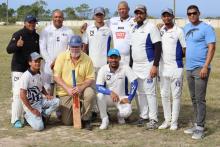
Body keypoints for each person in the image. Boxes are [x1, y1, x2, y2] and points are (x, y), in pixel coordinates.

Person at [183, 5, 216, 140]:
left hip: (200, 68)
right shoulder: (186, 28)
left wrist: (205, 66)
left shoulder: (206, 28)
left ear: (199, 13)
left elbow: (212, 47)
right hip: (189, 68)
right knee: (193, 98)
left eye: (194, 13)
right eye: (189, 14)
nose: (192, 16)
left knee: (200, 99)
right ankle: (197, 124)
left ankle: (201, 128)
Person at [53, 35, 96, 130]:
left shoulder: (87, 59)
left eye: (77, 47)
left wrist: (81, 88)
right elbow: (56, 77)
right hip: (66, 92)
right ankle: (73, 109)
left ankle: (86, 118)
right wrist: (67, 88)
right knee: (68, 122)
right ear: (69, 46)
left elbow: (90, 78)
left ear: (81, 46)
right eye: (73, 46)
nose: (75, 49)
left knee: (90, 93)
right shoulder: (61, 57)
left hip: (81, 89)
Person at [130, 4, 162, 129]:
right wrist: (131, 66)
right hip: (136, 66)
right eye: (137, 13)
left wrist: (155, 65)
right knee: (140, 92)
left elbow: (158, 47)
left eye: (141, 13)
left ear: (145, 14)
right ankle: (144, 116)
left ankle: (153, 119)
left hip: (148, 64)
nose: (139, 15)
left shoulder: (151, 27)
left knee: (150, 92)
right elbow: (133, 47)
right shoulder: (133, 28)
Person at [6, 15, 40, 128]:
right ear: (25, 23)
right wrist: (17, 45)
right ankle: (15, 119)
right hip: (18, 68)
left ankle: (27, 117)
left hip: (30, 70)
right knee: (17, 93)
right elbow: (8, 49)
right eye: (30, 22)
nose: (32, 24)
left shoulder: (36, 36)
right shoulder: (18, 34)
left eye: (34, 22)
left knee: (29, 94)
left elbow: (37, 54)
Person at [158, 8, 186, 130]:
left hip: (176, 68)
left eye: (168, 15)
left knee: (176, 96)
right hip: (163, 68)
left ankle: (174, 121)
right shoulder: (161, 30)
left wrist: (177, 59)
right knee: (164, 95)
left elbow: (184, 49)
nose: (166, 18)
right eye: (164, 16)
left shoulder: (179, 31)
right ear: (162, 17)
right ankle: (167, 120)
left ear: (172, 16)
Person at [96, 49, 138, 130]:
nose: (113, 60)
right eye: (111, 58)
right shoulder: (103, 69)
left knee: (127, 112)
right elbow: (98, 87)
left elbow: (134, 82)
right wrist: (110, 92)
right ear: (108, 59)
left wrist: (129, 98)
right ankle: (105, 119)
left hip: (121, 98)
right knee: (99, 96)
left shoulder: (125, 67)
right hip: (109, 97)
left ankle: (119, 116)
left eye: (116, 58)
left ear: (119, 58)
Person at [19, 52, 60, 131]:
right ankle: (26, 116)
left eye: (39, 61)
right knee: (39, 127)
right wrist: (32, 110)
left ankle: (43, 114)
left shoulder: (39, 73)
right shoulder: (26, 76)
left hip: (40, 101)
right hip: (31, 105)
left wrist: (47, 95)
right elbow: (22, 95)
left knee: (57, 101)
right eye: (35, 61)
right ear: (30, 62)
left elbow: (41, 87)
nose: (38, 63)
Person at [40, 9, 73, 95]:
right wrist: (50, 62)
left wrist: (59, 62)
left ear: (63, 18)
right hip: (48, 66)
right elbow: (42, 48)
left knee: (62, 90)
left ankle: (61, 108)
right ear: (52, 18)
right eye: (56, 17)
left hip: (64, 65)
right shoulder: (45, 31)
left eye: (60, 17)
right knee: (48, 91)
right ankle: (49, 108)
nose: (58, 19)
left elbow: (70, 49)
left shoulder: (69, 31)